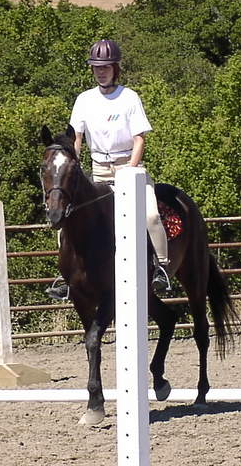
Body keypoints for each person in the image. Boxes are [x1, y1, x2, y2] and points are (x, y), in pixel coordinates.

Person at [46, 39, 171, 300]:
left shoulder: (129, 98)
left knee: (150, 216)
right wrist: (73, 165)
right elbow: (76, 138)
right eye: (96, 67)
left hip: (129, 167)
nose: (101, 72)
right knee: (67, 217)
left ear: (115, 68)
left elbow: (139, 140)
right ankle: (66, 276)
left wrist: (130, 172)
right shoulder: (84, 100)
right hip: (99, 170)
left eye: (105, 67)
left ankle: (161, 267)